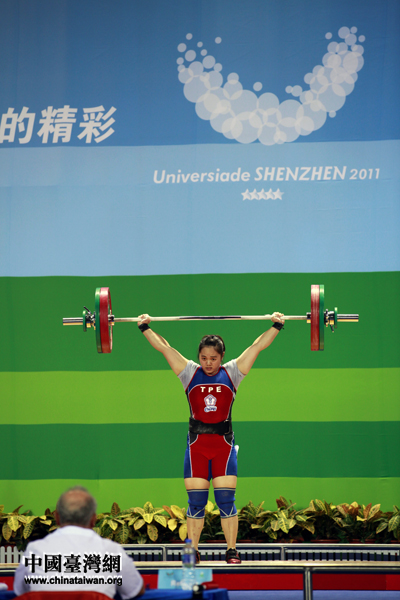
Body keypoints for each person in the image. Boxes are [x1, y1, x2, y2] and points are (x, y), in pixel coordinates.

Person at [137, 311, 285, 564]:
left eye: (213, 358)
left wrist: (277, 325)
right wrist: (144, 327)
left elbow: (257, 346)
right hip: (196, 447)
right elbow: (165, 348)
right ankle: (192, 551)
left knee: (226, 501)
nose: (208, 363)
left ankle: (231, 550)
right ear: (199, 357)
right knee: (195, 503)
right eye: (204, 358)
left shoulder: (233, 372)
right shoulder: (189, 372)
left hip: (223, 447)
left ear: (222, 357)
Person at [14, 486, 145, 598]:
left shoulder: (34, 550)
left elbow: (21, 592)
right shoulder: (111, 550)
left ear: (57, 518)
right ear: (93, 519)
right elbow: (135, 590)